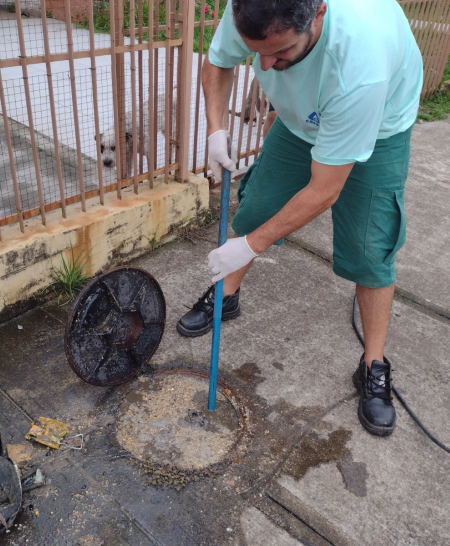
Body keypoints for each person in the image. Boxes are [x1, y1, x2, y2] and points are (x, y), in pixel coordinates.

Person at [177, 0, 423, 436]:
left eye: (281, 51)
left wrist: (250, 246)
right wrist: (215, 127)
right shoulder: (252, 11)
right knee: (257, 208)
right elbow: (219, 61)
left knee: (369, 250)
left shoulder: (358, 66)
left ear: (319, 16)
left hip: (378, 123)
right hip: (298, 121)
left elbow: (324, 190)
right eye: (259, 52)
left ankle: (373, 364)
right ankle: (226, 297)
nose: (267, 65)